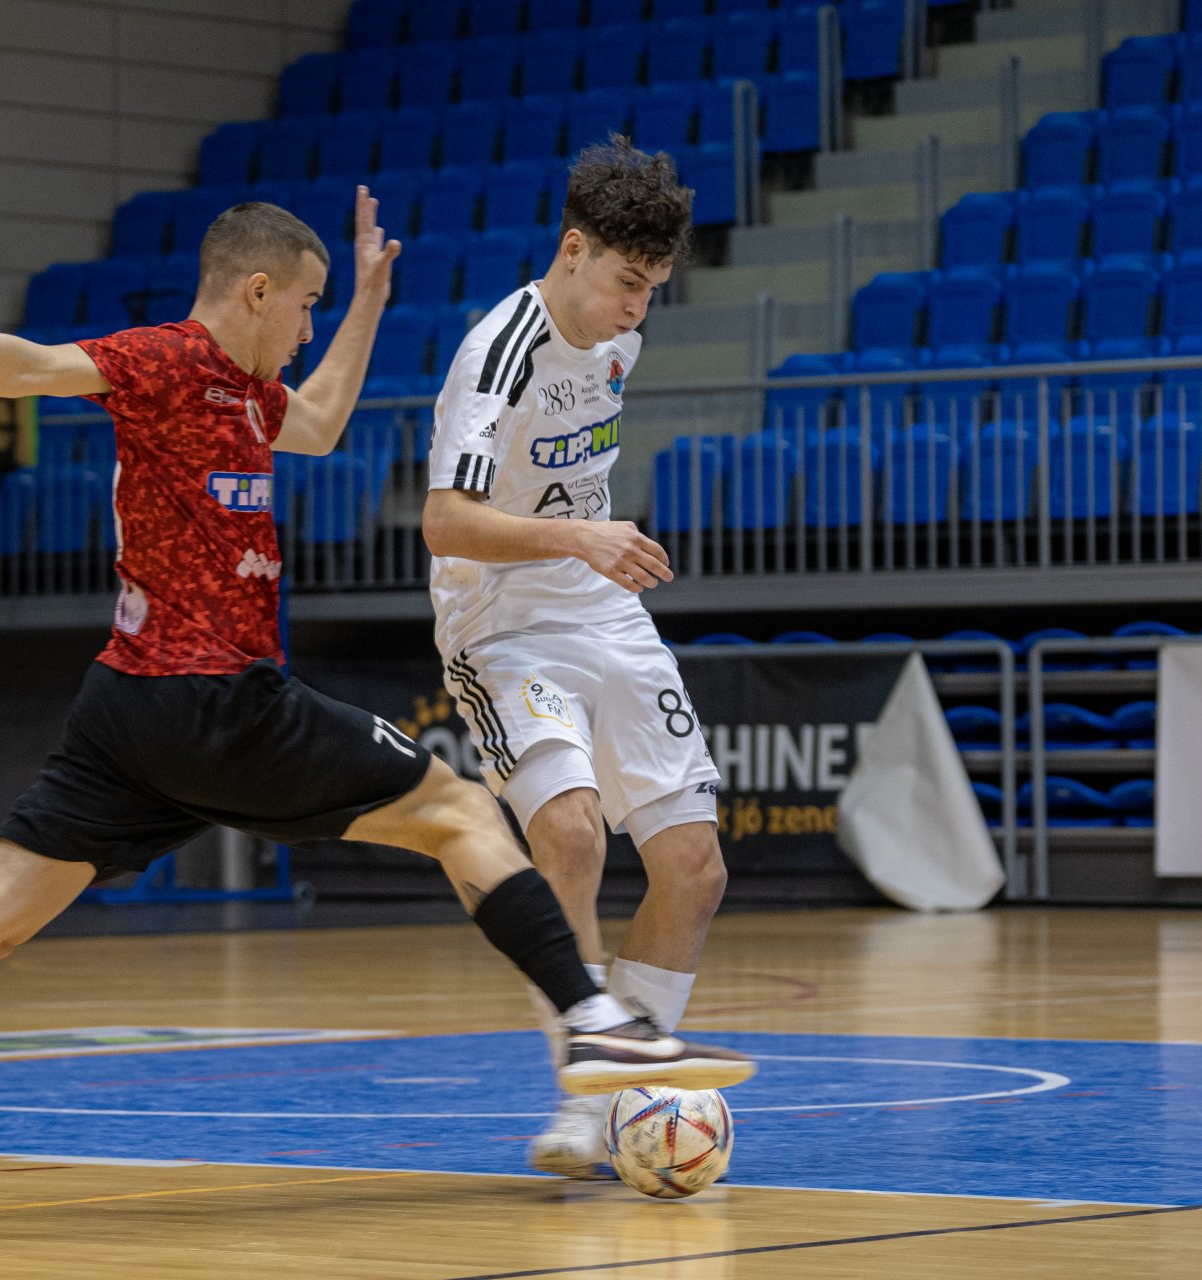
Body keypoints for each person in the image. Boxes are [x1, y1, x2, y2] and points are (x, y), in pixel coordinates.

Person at [0, 188, 753, 1201]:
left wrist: (370, 299)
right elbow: (20, 365)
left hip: (129, 714)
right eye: (307, 304)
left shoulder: (247, 393)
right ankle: (593, 1020)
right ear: (257, 290)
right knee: (464, 812)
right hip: (213, 698)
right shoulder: (164, 360)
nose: (305, 325)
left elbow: (324, 421)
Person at [421, 140, 731, 1180]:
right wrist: (580, 537)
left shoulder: (617, 343)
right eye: (626, 283)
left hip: (598, 606)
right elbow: (444, 521)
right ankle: (580, 1094)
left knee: (695, 866)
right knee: (571, 832)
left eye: (655, 290)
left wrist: (590, 548)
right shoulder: (497, 352)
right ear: (572, 250)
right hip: (501, 617)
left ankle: (629, 1087)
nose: (638, 310)